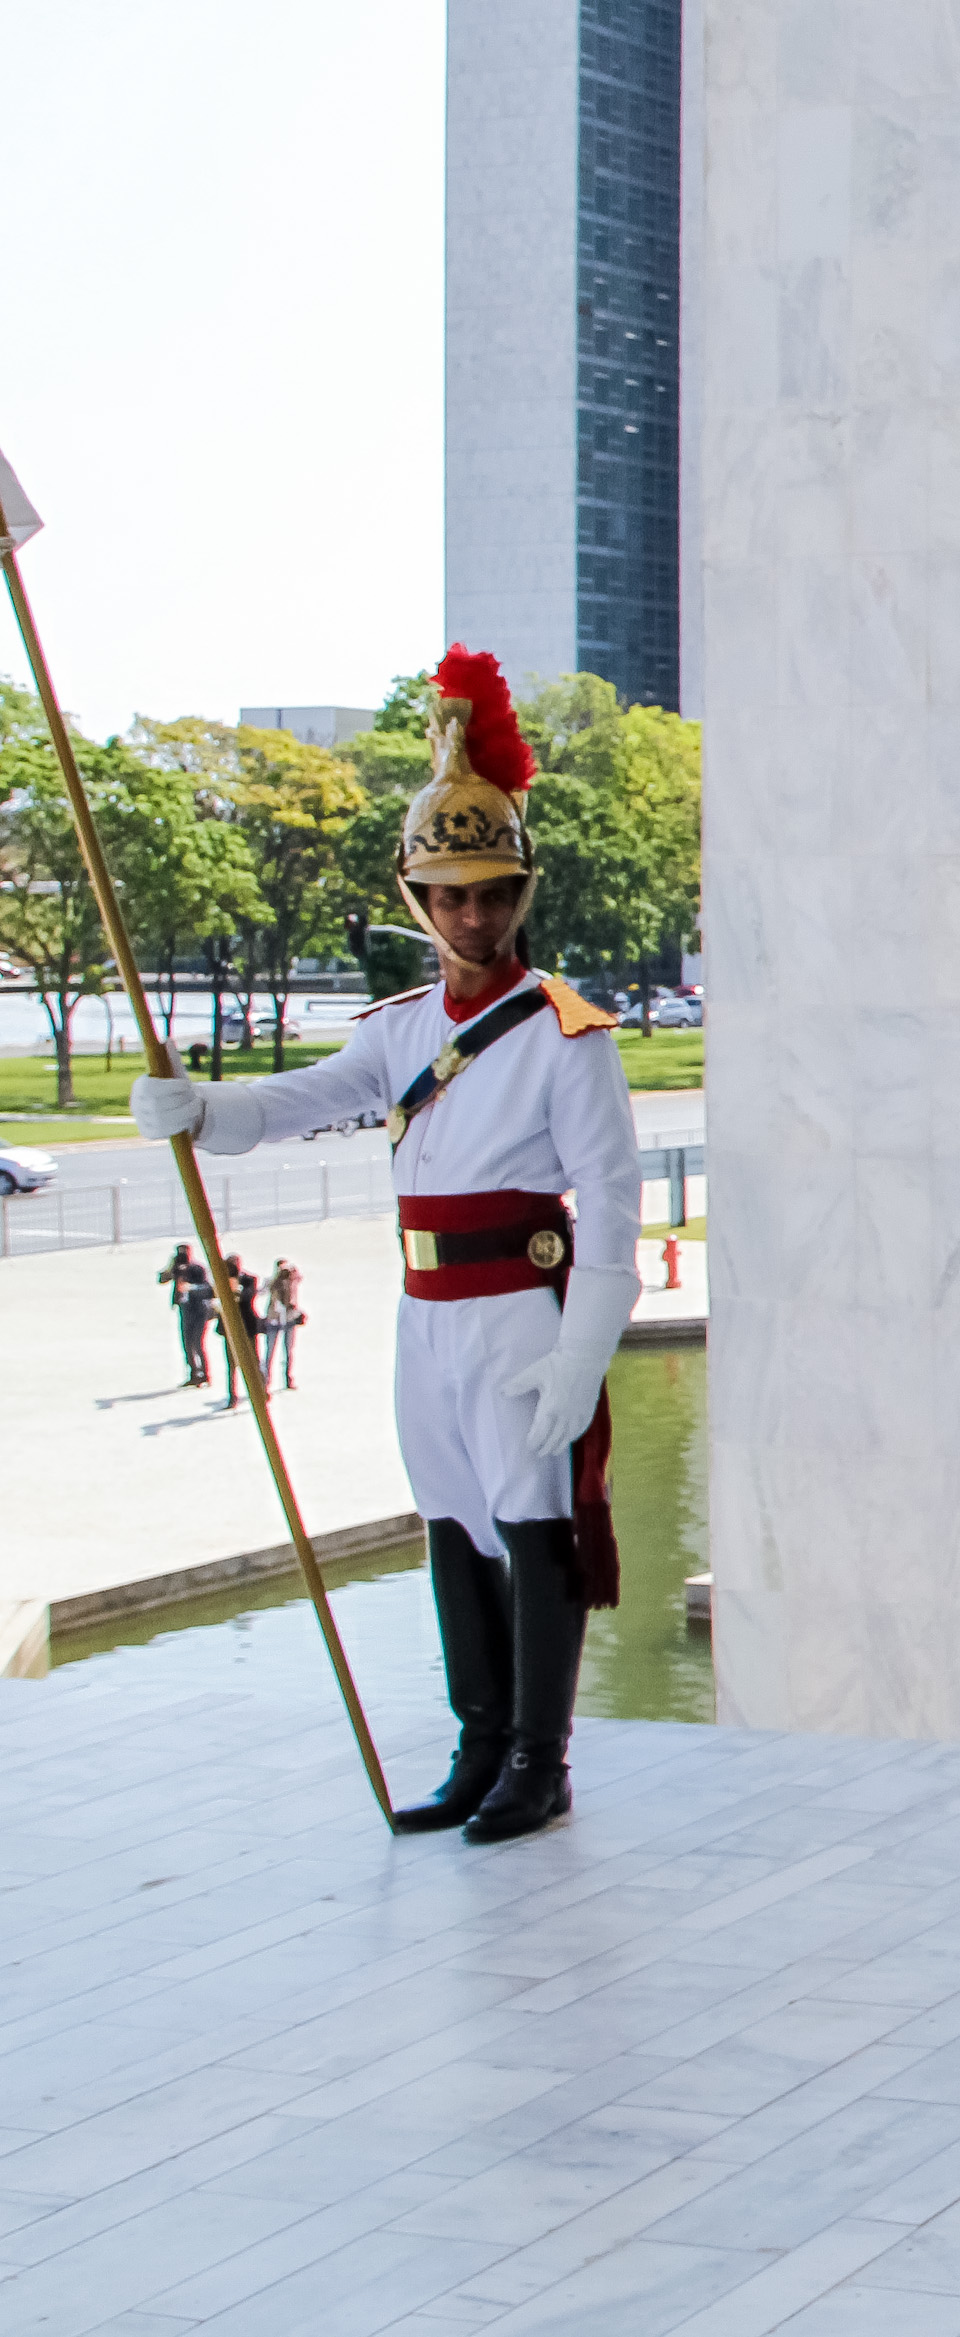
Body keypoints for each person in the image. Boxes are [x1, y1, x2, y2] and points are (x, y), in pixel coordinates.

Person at [134, 646, 641, 1846]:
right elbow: (300, 1100)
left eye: (494, 893)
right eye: (453, 894)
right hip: (425, 1316)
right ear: (417, 900)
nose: (476, 914)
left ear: (522, 893)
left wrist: (583, 1354)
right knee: (453, 1523)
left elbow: (613, 1203)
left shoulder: (567, 1035)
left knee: (532, 1524)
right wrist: (202, 1110)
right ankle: (477, 1747)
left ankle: (540, 1760)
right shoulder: (402, 1028)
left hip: (519, 1305)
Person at [159, 1243, 212, 1386]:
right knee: (186, 1343)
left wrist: (191, 1287)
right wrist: (171, 1267)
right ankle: (193, 1373)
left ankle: (205, 1374)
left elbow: (207, 1288)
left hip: (199, 1310)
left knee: (197, 1342)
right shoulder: (176, 1268)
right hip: (185, 1309)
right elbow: (162, 1279)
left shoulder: (197, 1268)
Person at [214, 1255, 260, 1410]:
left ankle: (260, 1391)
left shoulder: (248, 1279)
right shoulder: (221, 1280)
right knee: (231, 1365)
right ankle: (232, 1396)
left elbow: (248, 1295)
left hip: (247, 1326)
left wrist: (236, 1290)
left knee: (253, 1361)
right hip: (229, 1329)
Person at [263, 1257, 306, 1393]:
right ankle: (265, 1381)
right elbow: (265, 1288)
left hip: (289, 1319)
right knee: (269, 1353)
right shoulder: (273, 1282)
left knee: (288, 1351)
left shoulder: (292, 1281)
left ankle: (288, 1379)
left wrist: (293, 1272)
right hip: (274, 1320)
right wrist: (278, 1277)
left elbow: (300, 1278)